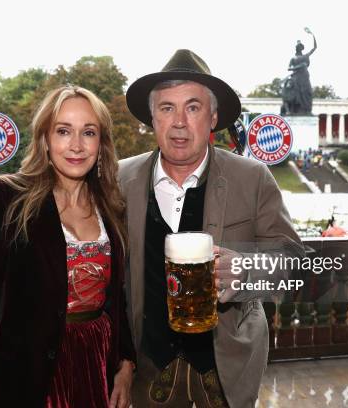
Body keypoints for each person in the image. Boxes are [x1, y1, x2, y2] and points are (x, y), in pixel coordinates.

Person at [120, 49, 304, 408]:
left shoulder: (252, 179)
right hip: (145, 376)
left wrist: (247, 270)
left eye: (192, 107)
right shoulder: (118, 179)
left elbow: (294, 266)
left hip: (226, 377)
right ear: (152, 118)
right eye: (166, 108)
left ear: (213, 117)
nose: (178, 122)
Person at [0, 86, 136, 408]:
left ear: (101, 143)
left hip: (97, 360)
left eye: (89, 132)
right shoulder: (8, 200)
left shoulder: (110, 206)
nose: (76, 145)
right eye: (63, 131)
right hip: (29, 371)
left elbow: (116, 299)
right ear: (45, 139)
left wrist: (125, 363)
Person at [284, 28, 317, 115]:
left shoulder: (306, 56)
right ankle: (294, 110)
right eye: (298, 47)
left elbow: (314, 48)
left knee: (308, 93)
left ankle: (307, 111)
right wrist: (299, 66)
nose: (299, 48)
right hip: (296, 78)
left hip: (305, 77)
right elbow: (288, 68)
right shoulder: (293, 58)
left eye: (300, 46)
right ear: (296, 48)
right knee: (296, 95)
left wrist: (313, 35)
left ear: (302, 48)